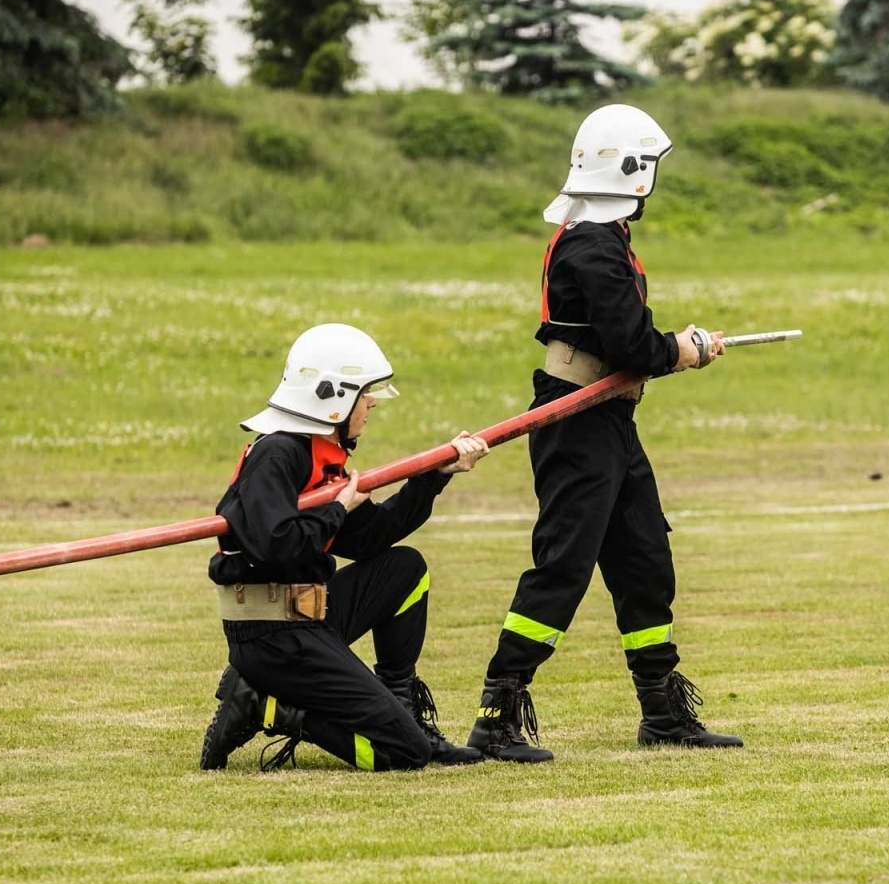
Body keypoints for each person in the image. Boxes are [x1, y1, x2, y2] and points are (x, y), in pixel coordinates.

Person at [465, 104, 744, 763]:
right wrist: (682, 347)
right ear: (636, 173)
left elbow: (622, 341)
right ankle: (496, 716)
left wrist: (671, 349)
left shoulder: (598, 234)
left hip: (608, 419)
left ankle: (663, 714)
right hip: (575, 421)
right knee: (563, 567)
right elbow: (630, 342)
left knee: (644, 559)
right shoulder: (593, 241)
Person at [199, 323, 490, 772]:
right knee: (406, 754)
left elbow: (373, 537)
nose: (371, 403)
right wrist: (336, 510)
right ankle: (265, 706)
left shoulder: (319, 456)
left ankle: (400, 702)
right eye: (364, 394)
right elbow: (274, 544)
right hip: (270, 636)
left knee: (404, 568)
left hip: (305, 620)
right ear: (333, 398)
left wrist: (436, 476)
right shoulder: (276, 455)